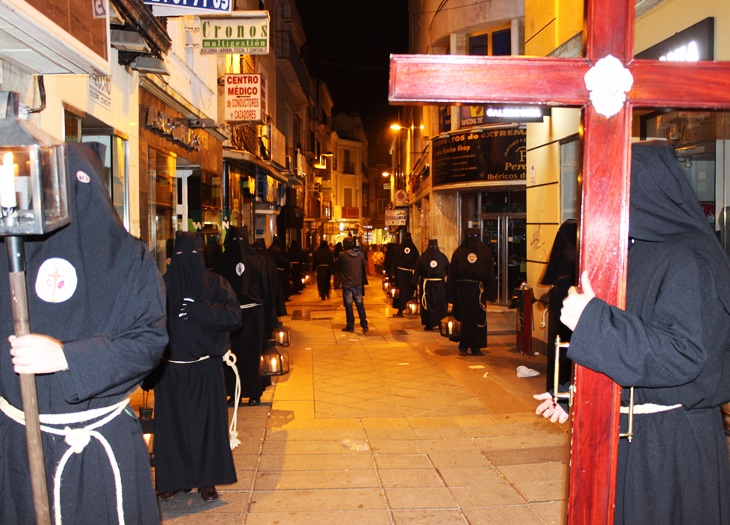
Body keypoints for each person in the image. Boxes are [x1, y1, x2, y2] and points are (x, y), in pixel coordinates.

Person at [538, 141, 730, 524]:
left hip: (668, 446)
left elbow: (682, 355)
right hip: (630, 434)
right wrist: (579, 397)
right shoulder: (632, 253)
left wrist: (593, 320)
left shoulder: (687, 257)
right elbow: (631, 349)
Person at [0, 143, 168, 524]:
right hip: (21, 448)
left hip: (102, 446)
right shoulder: (11, 256)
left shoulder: (131, 260)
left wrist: (66, 357)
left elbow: (149, 341)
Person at [152, 232, 242, 503]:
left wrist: (203, 310)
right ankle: (175, 480)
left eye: (193, 257)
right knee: (172, 428)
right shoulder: (161, 286)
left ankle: (206, 481)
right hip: (170, 371)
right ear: (172, 258)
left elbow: (234, 316)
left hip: (205, 368)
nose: (187, 263)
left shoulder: (215, 284)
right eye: (182, 257)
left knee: (207, 427)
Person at [212, 226, 278, 406]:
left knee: (233, 353)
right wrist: (271, 319)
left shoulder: (222, 261)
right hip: (255, 316)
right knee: (254, 354)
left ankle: (235, 393)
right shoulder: (258, 260)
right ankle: (254, 393)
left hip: (230, 316)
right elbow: (266, 290)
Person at [540, 218, 577, 391]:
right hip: (579, 302)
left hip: (562, 300)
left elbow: (554, 269)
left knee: (559, 346)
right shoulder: (581, 250)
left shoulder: (565, 252)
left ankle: (557, 386)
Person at [448, 228, 497, 356]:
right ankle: (468, 346)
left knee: (475, 319)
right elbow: (491, 274)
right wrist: (491, 294)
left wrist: (451, 296)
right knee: (469, 319)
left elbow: (451, 276)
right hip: (467, 292)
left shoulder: (458, 252)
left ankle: (472, 346)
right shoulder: (484, 252)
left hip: (471, 292)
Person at [413, 239, 450, 330]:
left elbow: (417, 270)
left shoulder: (423, 257)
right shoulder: (443, 257)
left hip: (427, 285)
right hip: (440, 285)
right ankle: (440, 322)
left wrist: (414, 283)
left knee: (428, 304)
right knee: (440, 304)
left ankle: (429, 324)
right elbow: (449, 270)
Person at [338, 236, 369, 334]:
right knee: (360, 304)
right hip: (358, 283)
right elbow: (364, 264)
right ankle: (364, 325)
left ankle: (350, 325)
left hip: (347, 284)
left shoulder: (342, 255)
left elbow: (338, 266)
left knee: (349, 305)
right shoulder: (360, 255)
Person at [390, 232, 419, 317]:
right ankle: (406, 306)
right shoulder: (413, 249)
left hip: (400, 274)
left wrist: (393, 273)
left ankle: (401, 307)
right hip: (409, 273)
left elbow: (394, 262)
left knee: (402, 290)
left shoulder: (399, 249)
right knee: (407, 290)